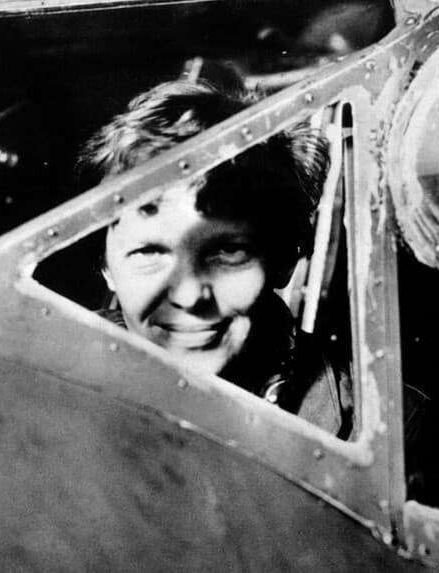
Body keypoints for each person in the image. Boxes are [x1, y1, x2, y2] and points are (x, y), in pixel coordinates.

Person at [78, 80, 352, 437]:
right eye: (148, 252)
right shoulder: (34, 384)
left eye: (227, 251)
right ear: (106, 267)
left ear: (284, 257)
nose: (190, 296)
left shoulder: (386, 431)